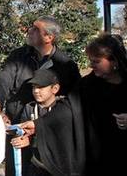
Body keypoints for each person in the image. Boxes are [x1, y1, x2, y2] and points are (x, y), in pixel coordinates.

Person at [0, 16, 80, 176]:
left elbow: (74, 102)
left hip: (47, 134)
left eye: (36, 29)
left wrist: (42, 126)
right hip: (18, 129)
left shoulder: (66, 65)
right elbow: (3, 82)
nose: (30, 30)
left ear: (49, 37)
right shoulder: (18, 56)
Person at [20, 34, 127, 175]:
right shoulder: (88, 85)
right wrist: (38, 124)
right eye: (91, 61)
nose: (91, 65)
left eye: (96, 61)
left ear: (114, 61)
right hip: (97, 159)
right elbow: (68, 107)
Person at [10, 69, 63, 176]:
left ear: (55, 88)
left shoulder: (63, 107)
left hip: (60, 167)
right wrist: (23, 138)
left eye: (40, 87)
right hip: (37, 166)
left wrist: (32, 140)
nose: (36, 91)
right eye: (34, 87)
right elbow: (25, 133)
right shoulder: (29, 108)